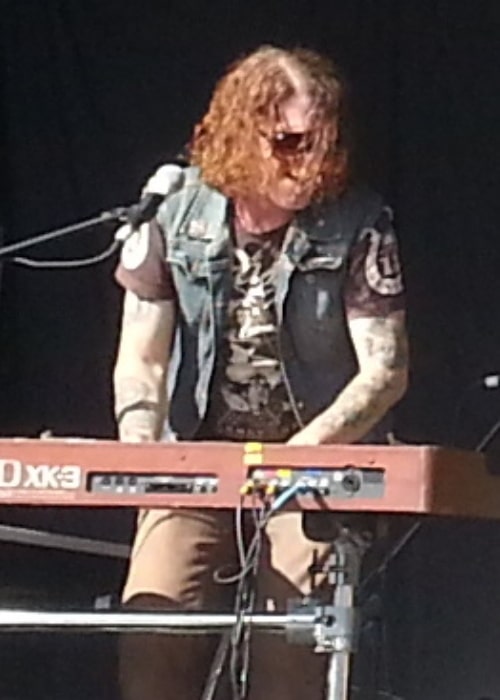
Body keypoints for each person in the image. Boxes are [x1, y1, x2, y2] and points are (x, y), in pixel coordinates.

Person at [113, 44, 408, 700]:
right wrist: (139, 452)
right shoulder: (174, 208)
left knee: (294, 661)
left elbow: (385, 369)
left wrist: (294, 459)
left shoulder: (358, 218)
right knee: (151, 644)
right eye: (291, 142)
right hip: (196, 459)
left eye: (323, 143)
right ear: (243, 131)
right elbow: (141, 354)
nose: (312, 162)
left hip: (311, 469)